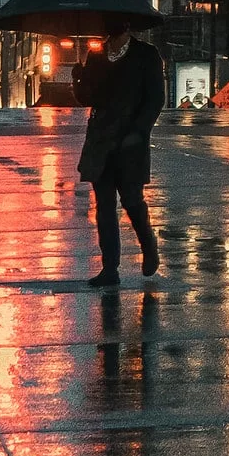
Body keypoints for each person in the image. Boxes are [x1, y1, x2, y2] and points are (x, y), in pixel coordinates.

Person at [73, 18, 166, 287]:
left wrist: (139, 132)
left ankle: (148, 245)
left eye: (117, 31)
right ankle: (110, 268)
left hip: (130, 142)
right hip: (101, 141)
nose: (111, 37)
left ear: (127, 28)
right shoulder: (96, 55)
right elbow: (88, 98)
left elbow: (155, 99)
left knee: (132, 200)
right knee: (104, 206)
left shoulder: (146, 55)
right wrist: (79, 78)